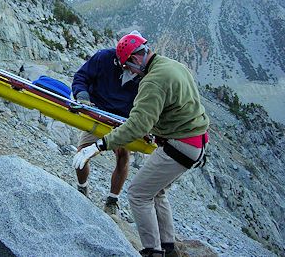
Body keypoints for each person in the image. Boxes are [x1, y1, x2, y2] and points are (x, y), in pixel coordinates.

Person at [73, 33, 209, 257]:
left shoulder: (153, 81)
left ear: (136, 60)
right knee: (156, 193)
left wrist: (100, 145)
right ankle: (168, 248)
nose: (131, 73)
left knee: (138, 194)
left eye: (129, 67)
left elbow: (137, 125)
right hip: (194, 142)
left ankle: (151, 251)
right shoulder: (172, 65)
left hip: (179, 145)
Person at [72, 32, 141, 218]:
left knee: (123, 157)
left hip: (123, 121)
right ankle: (82, 188)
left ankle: (112, 201)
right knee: (81, 154)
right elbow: (81, 77)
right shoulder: (104, 58)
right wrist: (82, 95)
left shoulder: (145, 72)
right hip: (98, 113)